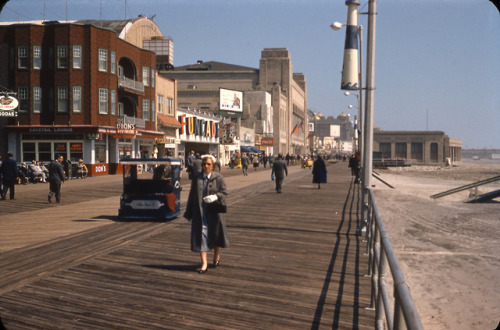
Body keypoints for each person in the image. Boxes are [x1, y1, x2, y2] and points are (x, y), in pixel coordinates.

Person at [183, 154, 229, 274]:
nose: (206, 166)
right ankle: (204, 264)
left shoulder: (218, 177)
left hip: (214, 211)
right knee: (201, 236)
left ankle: (216, 255)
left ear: (213, 166)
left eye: (208, 164)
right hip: (200, 211)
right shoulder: (197, 178)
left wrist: (216, 196)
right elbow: (192, 196)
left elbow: (224, 192)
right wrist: (188, 212)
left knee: (215, 234)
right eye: (204, 164)